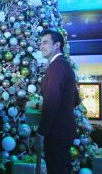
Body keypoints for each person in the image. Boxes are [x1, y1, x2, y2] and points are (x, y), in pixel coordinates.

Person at [36, 29, 80, 174]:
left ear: (57, 45)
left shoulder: (57, 67)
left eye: (45, 42)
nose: (41, 46)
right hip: (63, 131)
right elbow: (75, 100)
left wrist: (41, 132)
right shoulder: (63, 65)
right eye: (41, 43)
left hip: (56, 132)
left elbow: (53, 101)